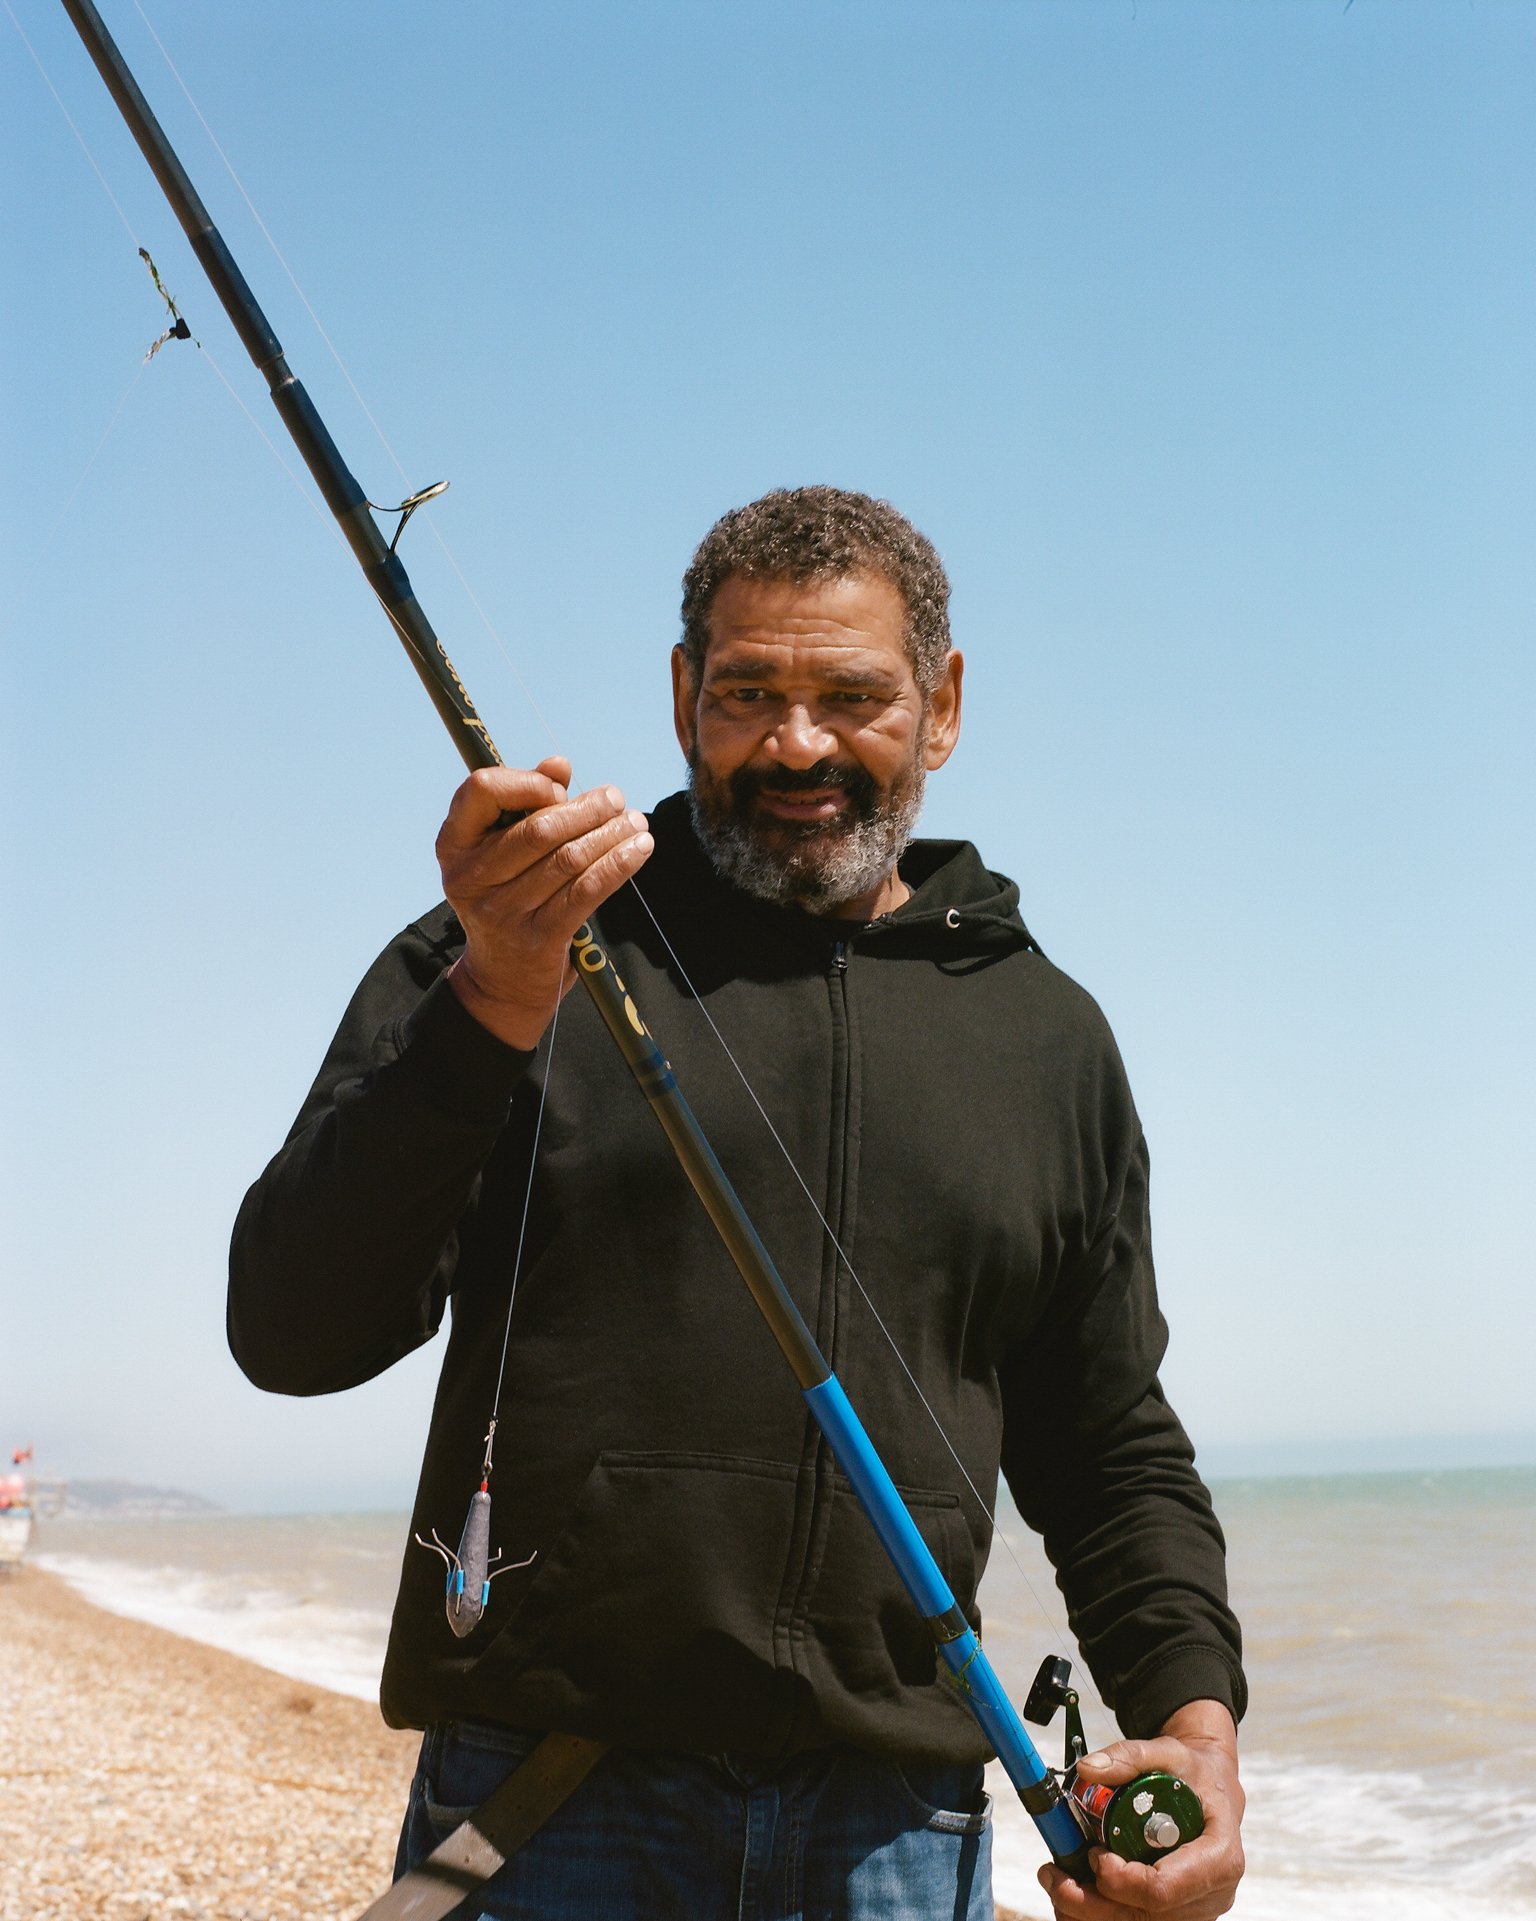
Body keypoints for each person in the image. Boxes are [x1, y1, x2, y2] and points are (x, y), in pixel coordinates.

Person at [230, 486, 1246, 1920]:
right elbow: (291, 1328)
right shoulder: (524, 937)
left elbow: (1108, 1438)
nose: (798, 742)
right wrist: (492, 1002)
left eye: (852, 695)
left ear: (942, 707)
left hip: (896, 1830)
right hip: (547, 1807)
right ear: (679, 695)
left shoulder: (1047, 1036)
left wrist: (1197, 1726)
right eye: (748, 690)